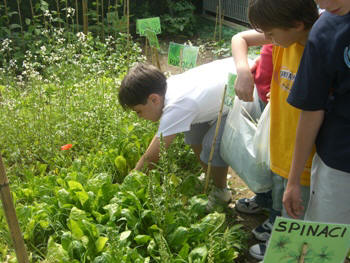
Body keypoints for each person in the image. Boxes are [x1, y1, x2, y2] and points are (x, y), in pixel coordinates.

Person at [231, 0, 319, 260]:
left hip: (305, 159)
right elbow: (240, 39)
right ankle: (278, 240)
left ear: (297, 25)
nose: (267, 40)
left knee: (297, 214)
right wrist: (243, 70)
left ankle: (285, 252)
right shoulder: (284, 40)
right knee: (283, 202)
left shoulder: (317, 51)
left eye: (270, 34)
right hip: (280, 147)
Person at [118, 59, 235, 212]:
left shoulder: (177, 105)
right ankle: (209, 175)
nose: (139, 116)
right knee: (193, 135)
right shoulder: (167, 89)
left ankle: (221, 191)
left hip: (239, 98)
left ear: (154, 99)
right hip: (225, 84)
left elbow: (154, 155)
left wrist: (130, 183)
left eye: (139, 111)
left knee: (211, 145)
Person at [283, 1, 350, 225]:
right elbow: (311, 109)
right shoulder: (324, 32)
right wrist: (293, 181)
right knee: (325, 247)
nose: (323, 3)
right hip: (339, 164)